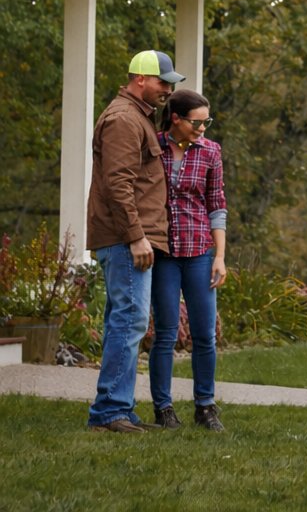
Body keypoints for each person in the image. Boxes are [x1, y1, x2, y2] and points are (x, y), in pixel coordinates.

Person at [86, 49, 184, 433]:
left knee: (124, 322)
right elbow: (119, 185)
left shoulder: (135, 117)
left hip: (129, 237)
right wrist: (137, 237)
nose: (167, 90)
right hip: (127, 238)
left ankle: (118, 409)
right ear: (140, 79)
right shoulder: (125, 119)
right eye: (163, 82)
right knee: (129, 322)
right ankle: (110, 412)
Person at [149, 88, 228, 432]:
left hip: (199, 253)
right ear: (176, 119)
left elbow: (217, 204)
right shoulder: (153, 147)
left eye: (207, 121)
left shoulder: (211, 152)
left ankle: (205, 407)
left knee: (204, 335)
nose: (203, 128)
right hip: (164, 254)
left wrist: (220, 256)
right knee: (165, 334)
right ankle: (163, 408)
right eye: (197, 122)